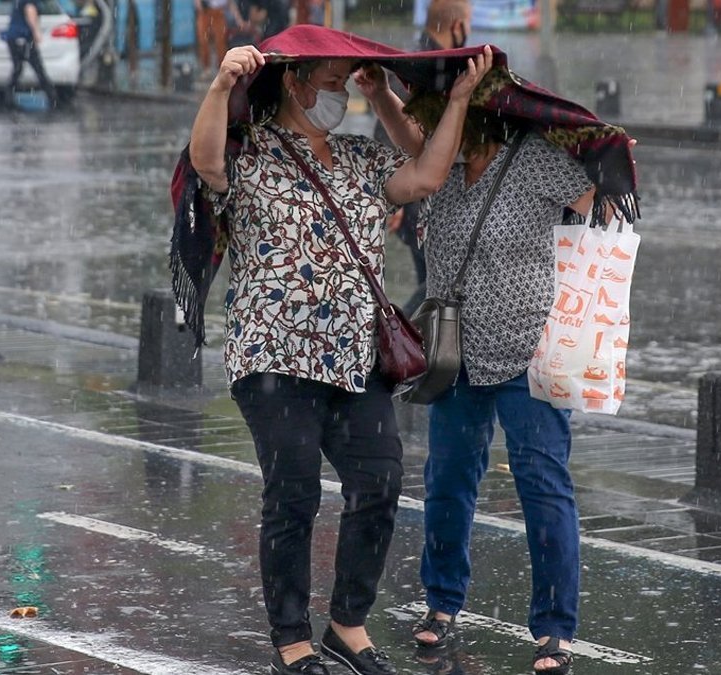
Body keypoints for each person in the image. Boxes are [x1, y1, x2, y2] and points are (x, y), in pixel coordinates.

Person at [185, 28, 492, 675]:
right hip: (273, 355)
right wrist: (220, 84)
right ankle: (292, 638)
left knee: (380, 482)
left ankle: (346, 624)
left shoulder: (360, 157)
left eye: (346, 84)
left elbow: (429, 171)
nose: (339, 95)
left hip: (355, 358)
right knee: (294, 492)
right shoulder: (252, 150)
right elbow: (206, 162)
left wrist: (438, 97)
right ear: (294, 83)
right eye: (331, 83)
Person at [370, 73, 633, 675]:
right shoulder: (442, 164)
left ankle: (555, 629)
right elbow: (410, 142)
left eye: (442, 116)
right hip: (454, 351)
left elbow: (603, 206)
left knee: (541, 482)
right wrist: (380, 93)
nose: (433, 128)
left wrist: (607, 157)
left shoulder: (534, 160)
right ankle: (442, 602)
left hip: (529, 348)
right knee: (447, 479)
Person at [373, 0, 473, 315]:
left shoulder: (421, 61)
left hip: (422, 198)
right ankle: (399, 330)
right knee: (438, 284)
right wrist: (398, 200)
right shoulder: (428, 67)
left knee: (434, 283)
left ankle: (413, 335)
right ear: (457, 25)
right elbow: (387, 129)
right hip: (419, 200)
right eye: (468, 24)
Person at [1, 0, 58, 108]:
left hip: (16, 37)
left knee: (19, 68)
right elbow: (30, 11)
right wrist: (36, 32)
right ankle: (52, 97)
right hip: (23, 37)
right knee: (36, 67)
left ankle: (7, 96)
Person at [194, 0, 229, 75]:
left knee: (220, 41)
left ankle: (221, 66)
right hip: (205, 11)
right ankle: (206, 67)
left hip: (218, 10)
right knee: (203, 40)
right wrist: (199, 5)